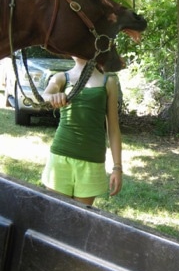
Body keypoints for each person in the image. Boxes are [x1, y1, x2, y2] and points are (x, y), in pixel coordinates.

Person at [41, 56, 122, 205]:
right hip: (61, 157)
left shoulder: (109, 81)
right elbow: (43, 96)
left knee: (79, 220)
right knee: (55, 215)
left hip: (91, 162)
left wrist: (117, 167)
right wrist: (52, 97)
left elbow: (113, 128)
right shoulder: (61, 78)